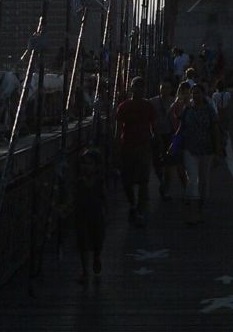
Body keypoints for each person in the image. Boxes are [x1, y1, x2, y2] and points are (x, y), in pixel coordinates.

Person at [180, 83, 223, 225]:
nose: (195, 95)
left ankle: (200, 207)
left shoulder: (209, 110)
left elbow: (215, 130)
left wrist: (218, 151)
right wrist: (174, 146)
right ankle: (194, 214)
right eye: (193, 93)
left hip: (206, 150)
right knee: (193, 181)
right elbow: (181, 128)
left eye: (198, 93)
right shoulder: (187, 109)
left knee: (204, 183)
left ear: (203, 95)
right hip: (190, 149)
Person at [115, 76, 155, 225]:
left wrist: (156, 145)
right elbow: (118, 129)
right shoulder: (124, 106)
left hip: (144, 146)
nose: (139, 89)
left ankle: (140, 209)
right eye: (136, 86)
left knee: (144, 180)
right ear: (131, 88)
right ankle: (133, 203)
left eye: (141, 87)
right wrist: (117, 148)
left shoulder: (148, 106)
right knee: (127, 181)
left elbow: (154, 126)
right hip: (128, 146)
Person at [73, 148, 106, 284]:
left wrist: (106, 213)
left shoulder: (99, 182)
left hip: (97, 216)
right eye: (84, 163)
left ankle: (97, 257)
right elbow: (74, 198)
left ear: (96, 166)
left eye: (89, 164)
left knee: (97, 242)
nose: (86, 167)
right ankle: (85, 272)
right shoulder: (79, 182)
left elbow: (105, 198)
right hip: (82, 217)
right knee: (83, 244)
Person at [150, 80, 176, 199]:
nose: (164, 90)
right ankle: (161, 181)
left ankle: (166, 187)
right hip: (157, 135)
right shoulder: (153, 102)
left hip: (170, 135)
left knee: (169, 163)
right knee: (157, 162)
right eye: (163, 87)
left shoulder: (174, 101)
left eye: (167, 88)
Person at [210, 77, 232, 149]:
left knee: (218, 128)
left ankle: (219, 142)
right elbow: (229, 102)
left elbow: (213, 105)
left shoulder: (214, 95)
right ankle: (225, 141)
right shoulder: (227, 94)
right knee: (225, 128)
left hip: (217, 113)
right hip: (225, 112)